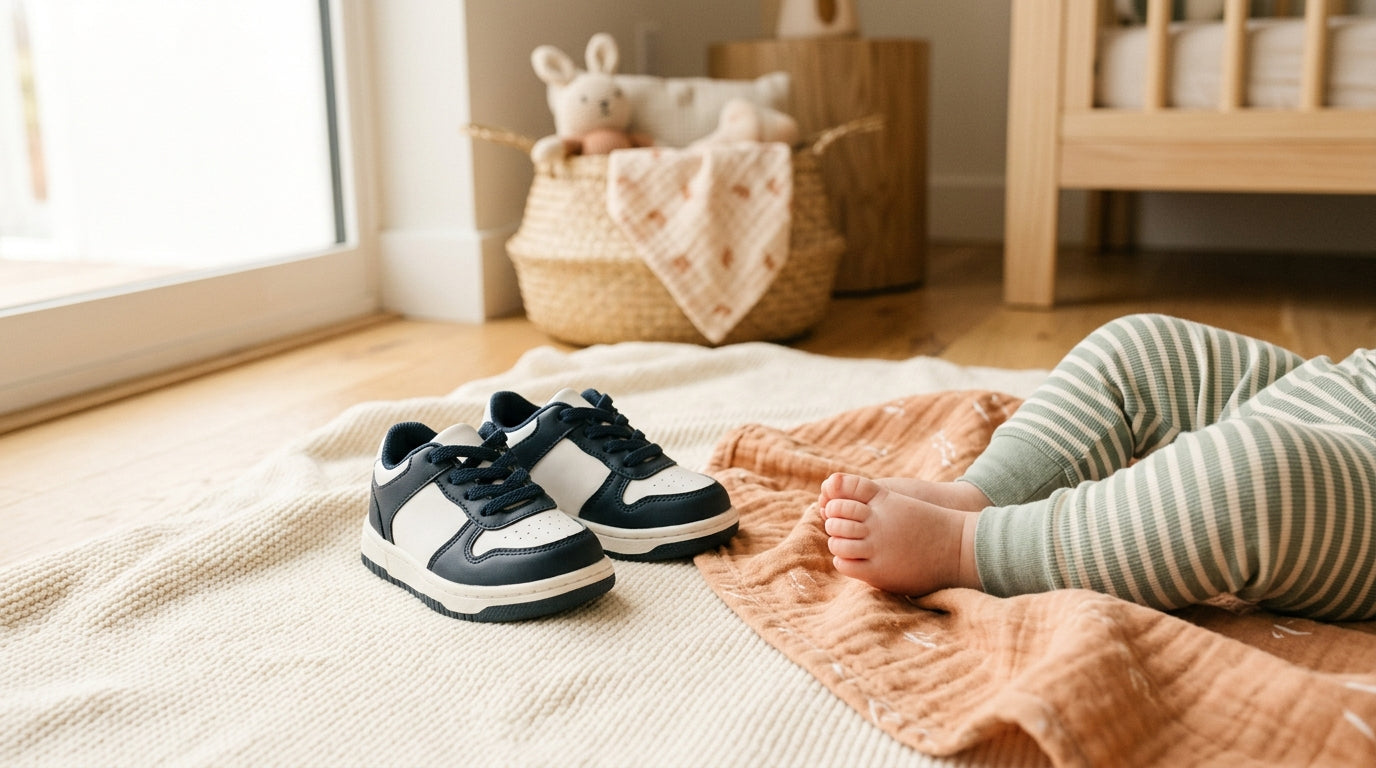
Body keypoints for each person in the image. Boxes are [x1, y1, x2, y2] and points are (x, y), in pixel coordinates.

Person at [819, 313, 1376, 622]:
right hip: (1346, 387)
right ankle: (984, 494)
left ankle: (966, 546)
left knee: (1253, 477)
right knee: (1140, 347)